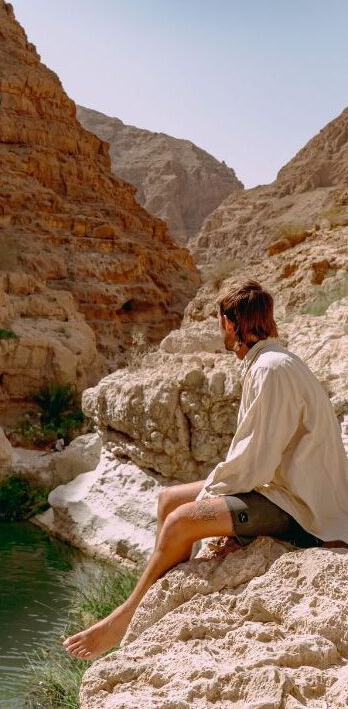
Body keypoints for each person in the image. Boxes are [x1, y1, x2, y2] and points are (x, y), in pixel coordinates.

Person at [64, 280, 348, 661]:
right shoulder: (271, 362)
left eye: (221, 325)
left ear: (230, 325)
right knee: (168, 499)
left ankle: (124, 617)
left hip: (301, 507)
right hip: (283, 487)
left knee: (182, 521)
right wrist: (213, 494)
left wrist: (211, 498)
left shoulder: (271, 370)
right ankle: (154, 597)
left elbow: (255, 459)